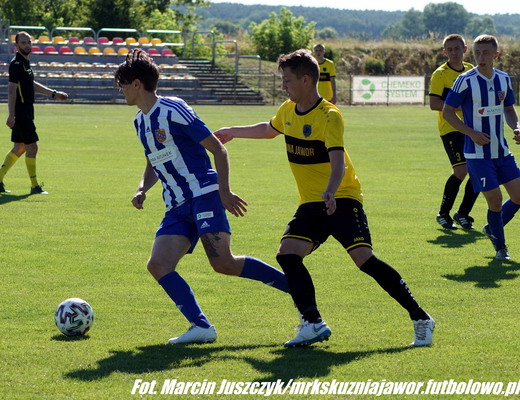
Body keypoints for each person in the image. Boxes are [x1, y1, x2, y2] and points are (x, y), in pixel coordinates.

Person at [214, 49, 434, 348]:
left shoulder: (329, 116)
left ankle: (421, 318)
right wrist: (233, 132)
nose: (283, 86)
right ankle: (313, 322)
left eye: (287, 80)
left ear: (306, 80)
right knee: (287, 254)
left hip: (341, 197)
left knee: (364, 260)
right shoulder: (288, 110)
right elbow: (269, 129)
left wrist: (330, 191)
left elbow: (338, 162)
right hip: (311, 203)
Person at [114, 49, 290, 344]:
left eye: (122, 84)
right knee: (158, 265)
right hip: (176, 205)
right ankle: (201, 327)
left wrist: (224, 191)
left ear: (136, 84)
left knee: (224, 263)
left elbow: (218, 149)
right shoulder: (139, 122)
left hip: (204, 195)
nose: (120, 90)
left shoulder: (174, 109)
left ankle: (298, 290)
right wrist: (142, 188)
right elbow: (153, 160)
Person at [443, 35, 520, 260]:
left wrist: (517, 127)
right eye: (477, 52)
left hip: (501, 151)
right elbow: (448, 112)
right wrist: (471, 133)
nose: (480, 57)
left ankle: (492, 227)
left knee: (518, 196)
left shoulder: (503, 79)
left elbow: (509, 109)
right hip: (477, 155)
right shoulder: (465, 80)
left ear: (496, 54)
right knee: (495, 199)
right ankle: (501, 249)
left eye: (485, 52)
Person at [0, 31, 68, 195]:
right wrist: (11, 115)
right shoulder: (16, 64)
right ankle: (34, 186)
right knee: (32, 147)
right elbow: (11, 90)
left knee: (20, 147)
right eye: (23, 43)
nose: (27, 45)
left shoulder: (25, 63)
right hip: (21, 111)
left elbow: (31, 84)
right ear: (16, 45)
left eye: (29, 42)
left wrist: (53, 93)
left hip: (26, 111)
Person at [430, 34, 479, 230]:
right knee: (461, 170)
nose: (454, 52)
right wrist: (457, 107)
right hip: (450, 128)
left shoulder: (471, 70)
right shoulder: (440, 74)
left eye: (457, 48)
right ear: (445, 52)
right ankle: (443, 213)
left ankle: (463, 214)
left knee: (478, 171)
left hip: (472, 128)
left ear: (465, 49)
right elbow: (434, 103)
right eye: (449, 49)